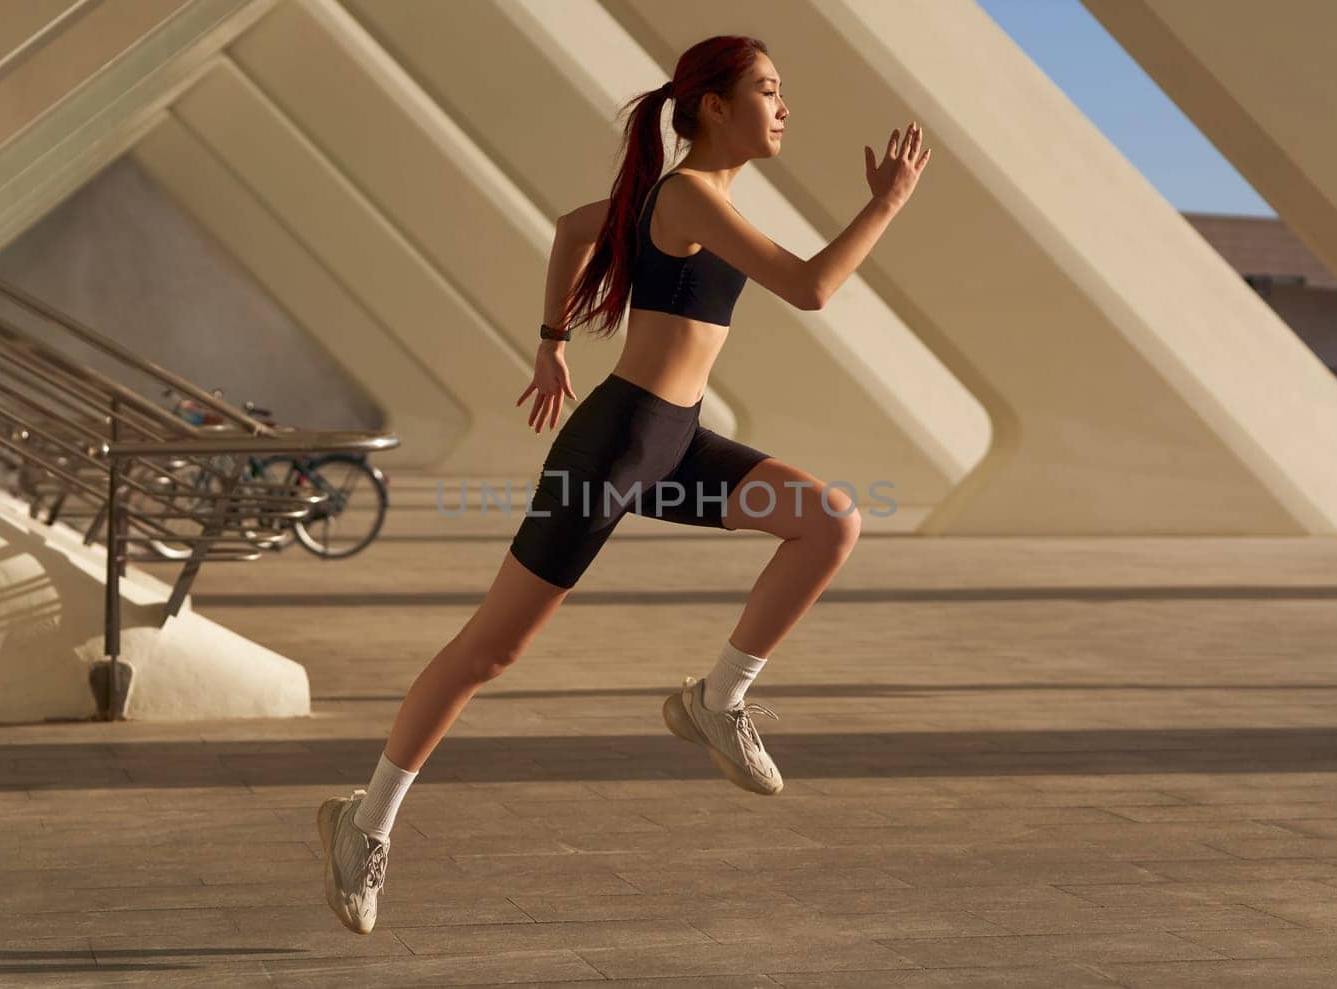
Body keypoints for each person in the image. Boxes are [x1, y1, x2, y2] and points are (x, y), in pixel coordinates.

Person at [318, 34, 931, 935]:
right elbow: (810, 288)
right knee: (490, 652)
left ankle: (716, 701)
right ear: (715, 106)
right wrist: (885, 206)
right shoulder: (685, 194)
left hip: (674, 442)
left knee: (828, 521)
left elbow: (575, 232)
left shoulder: (688, 198)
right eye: (767, 89)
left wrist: (551, 337)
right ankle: (363, 824)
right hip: (614, 447)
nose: (783, 106)